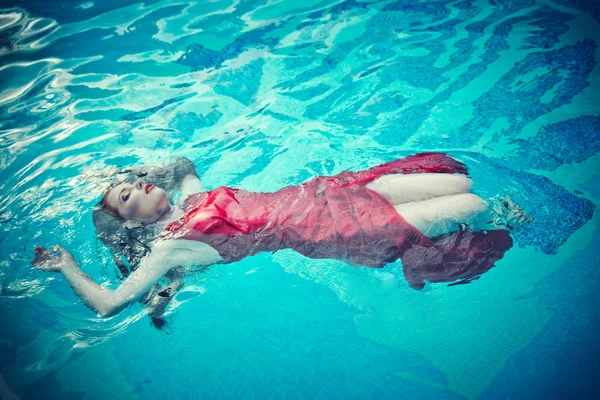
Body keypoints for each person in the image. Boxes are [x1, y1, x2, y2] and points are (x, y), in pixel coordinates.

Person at [31, 153, 530, 318]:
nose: (137, 185)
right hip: (333, 228)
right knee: (475, 204)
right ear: (134, 223)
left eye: (134, 181)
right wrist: (68, 267)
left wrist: (113, 177)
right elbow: (109, 303)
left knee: (456, 179)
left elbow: (182, 165)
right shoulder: (167, 248)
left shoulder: (189, 197)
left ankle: (481, 219)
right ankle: (503, 224)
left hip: (326, 193)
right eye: (126, 196)